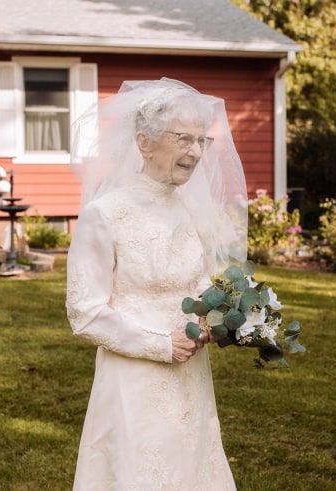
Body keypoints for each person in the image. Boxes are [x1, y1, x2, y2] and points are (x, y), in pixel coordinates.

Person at [65, 78, 247, 490]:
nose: (196, 153)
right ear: (144, 142)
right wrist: (162, 345)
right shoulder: (105, 214)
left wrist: (216, 316)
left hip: (190, 372)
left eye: (203, 141)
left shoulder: (187, 207)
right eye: (184, 139)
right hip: (135, 376)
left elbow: (197, 280)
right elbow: (84, 311)